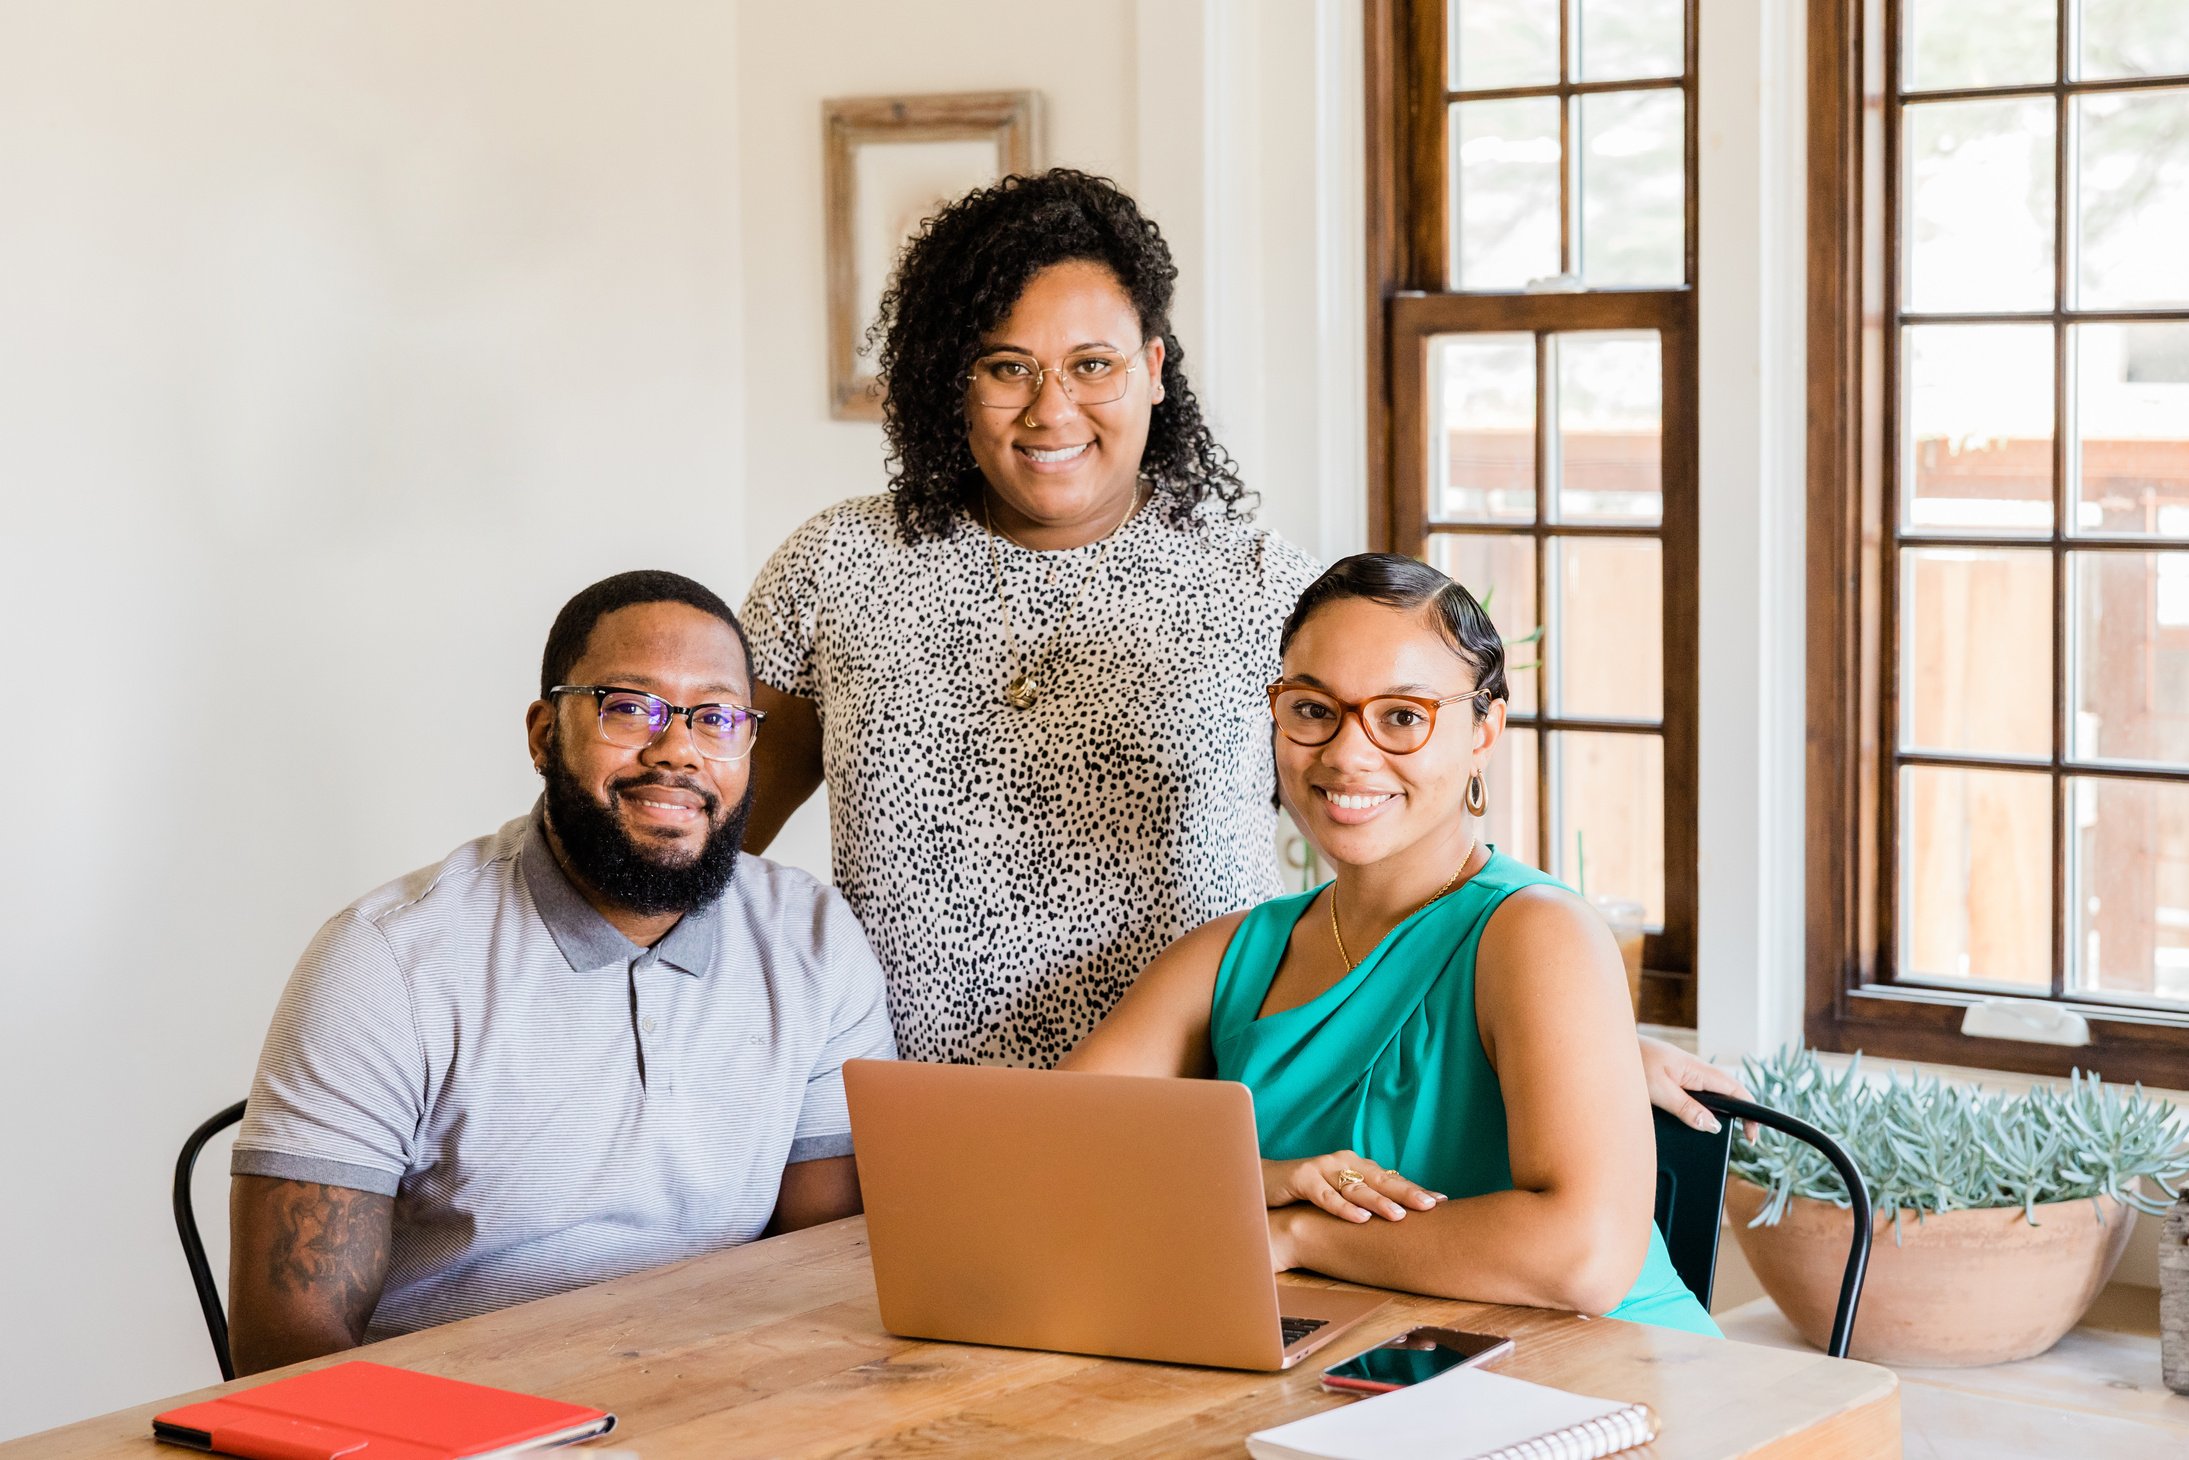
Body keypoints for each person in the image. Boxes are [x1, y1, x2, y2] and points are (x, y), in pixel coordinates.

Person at [739, 168, 1738, 1125]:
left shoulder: (1264, 586)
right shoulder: (834, 567)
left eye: (1092, 365)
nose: (1052, 409)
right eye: (1007, 367)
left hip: (1198, 1129)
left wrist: (1569, 1032)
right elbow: (704, 846)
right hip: (892, 1120)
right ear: (951, 380)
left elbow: (1406, 845)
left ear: (1155, 370)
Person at [225, 571, 895, 1376]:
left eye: (715, 717)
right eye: (629, 706)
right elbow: (285, 1354)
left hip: (725, 1404)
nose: (677, 748)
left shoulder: (815, 940)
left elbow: (820, 1270)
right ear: (545, 734)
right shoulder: (387, 960)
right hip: (459, 1428)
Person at [1063, 554, 1719, 1336]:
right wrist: (1271, 1181)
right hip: (1371, 1370)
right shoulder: (1227, 954)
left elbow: (1585, 1257)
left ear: (1483, 731)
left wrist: (1299, 1231)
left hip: (1604, 1379)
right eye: (1312, 710)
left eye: (1402, 716)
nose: (1346, 754)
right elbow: (1055, 1162)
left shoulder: (1539, 932)